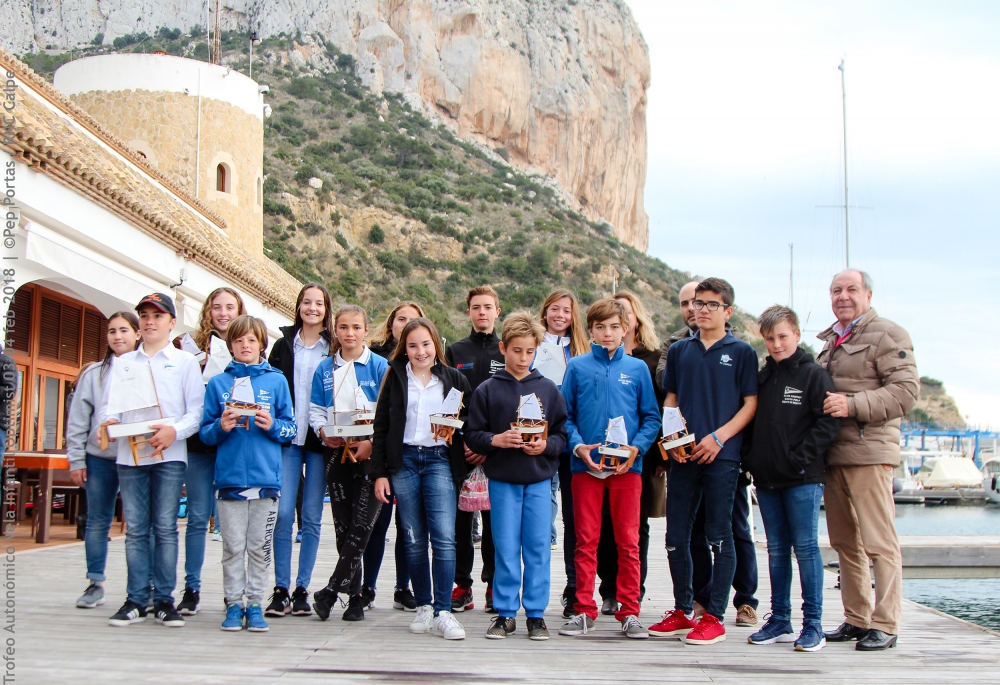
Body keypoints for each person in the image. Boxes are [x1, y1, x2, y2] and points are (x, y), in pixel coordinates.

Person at [651, 277, 758, 645]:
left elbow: (750, 404)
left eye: (711, 304)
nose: (701, 309)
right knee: (675, 534)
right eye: (698, 303)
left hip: (723, 455)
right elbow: (672, 398)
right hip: (683, 454)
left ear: (727, 311)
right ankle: (683, 610)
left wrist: (719, 437)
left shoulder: (742, 352)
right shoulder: (681, 350)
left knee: (719, 535)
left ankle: (714, 616)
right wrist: (671, 437)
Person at [817, 269, 918, 651]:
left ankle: (886, 623)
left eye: (851, 289)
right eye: (836, 290)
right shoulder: (830, 341)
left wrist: (854, 404)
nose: (843, 296)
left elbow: (906, 393)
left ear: (869, 295)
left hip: (870, 453)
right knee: (846, 543)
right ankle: (857, 618)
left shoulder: (889, 335)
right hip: (834, 455)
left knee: (879, 542)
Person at [558, 298, 660, 639]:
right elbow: (565, 417)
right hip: (585, 467)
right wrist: (578, 446)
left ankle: (629, 611)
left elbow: (651, 417)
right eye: (600, 327)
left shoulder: (638, 369)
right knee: (586, 540)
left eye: (614, 326)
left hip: (626, 471)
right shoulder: (577, 367)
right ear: (591, 330)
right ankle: (584, 610)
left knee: (628, 542)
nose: (608, 333)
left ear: (626, 329)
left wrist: (637, 449)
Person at [102, 293, 204, 628]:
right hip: (129, 457)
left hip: (169, 455)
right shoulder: (123, 363)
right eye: (144, 315)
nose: (149, 321)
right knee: (136, 530)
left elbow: (196, 412)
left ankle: (164, 599)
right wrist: (110, 422)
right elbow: (109, 408)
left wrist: (174, 431)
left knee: (165, 528)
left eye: (157, 316)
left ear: (172, 323)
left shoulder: (185, 362)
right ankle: (135, 598)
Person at [465, 312, 568, 641]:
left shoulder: (549, 390)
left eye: (530, 351)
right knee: (506, 547)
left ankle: (536, 616)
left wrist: (546, 445)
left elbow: (563, 436)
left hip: (539, 481)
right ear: (503, 348)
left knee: (537, 547)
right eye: (517, 350)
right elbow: (472, 434)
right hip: (503, 482)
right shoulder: (487, 390)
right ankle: (506, 613)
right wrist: (496, 440)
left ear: (537, 350)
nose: (524, 358)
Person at [744, 306, 840, 652]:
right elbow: (752, 421)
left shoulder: (814, 375)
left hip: (802, 479)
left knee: (806, 548)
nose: (776, 344)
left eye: (782, 336)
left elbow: (828, 423)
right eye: (769, 338)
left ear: (797, 335)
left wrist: (800, 459)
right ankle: (780, 619)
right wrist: (752, 458)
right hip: (767, 479)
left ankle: (813, 625)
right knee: (777, 551)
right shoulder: (763, 377)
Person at [370, 318, 473, 640]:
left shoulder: (453, 378)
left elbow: (468, 419)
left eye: (426, 344)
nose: (420, 351)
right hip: (404, 462)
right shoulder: (396, 376)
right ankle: (424, 605)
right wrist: (380, 473)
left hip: (439, 459)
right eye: (413, 345)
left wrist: (456, 426)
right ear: (405, 348)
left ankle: (444, 610)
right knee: (413, 537)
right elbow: (381, 426)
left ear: (436, 346)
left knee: (444, 536)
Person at [200, 315, 296, 632]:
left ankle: (255, 603)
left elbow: (291, 427)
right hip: (229, 482)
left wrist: (274, 427)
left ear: (261, 345)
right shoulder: (217, 384)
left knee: (259, 547)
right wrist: (221, 427)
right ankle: (232, 604)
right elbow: (205, 434)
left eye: (252, 340)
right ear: (230, 346)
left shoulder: (277, 381)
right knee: (232, 547)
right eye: (239, 340)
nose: (245, 346)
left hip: (267, 482)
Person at [310, 305, 389, 622]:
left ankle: (330, 590)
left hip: (370, 454)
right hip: (336, 452)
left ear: (366, 330)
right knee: (343, 526)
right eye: (343, 327)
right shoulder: (323, 369)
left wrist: (374, 443)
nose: (349, 333)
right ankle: (354, 597)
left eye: (356, 327)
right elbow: (316, 409)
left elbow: (388, 414)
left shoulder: (380, 366)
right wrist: (321, 432)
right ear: (336, 331)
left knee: (363, 524)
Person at [172, 286, 247, 616]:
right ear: (207, 312)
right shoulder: (188, 347)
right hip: (200, 444)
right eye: (217, 307)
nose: (223, 313)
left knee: (234, 522)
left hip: (235, 444)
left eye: (230, 307)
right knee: (199, 517)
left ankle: (236, 593)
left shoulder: (249, 348)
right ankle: (192, 587)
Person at [266, 283, 333, 617]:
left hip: (320, 441)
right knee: (282, 515)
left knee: (311, 516)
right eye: (306, 302)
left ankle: (303, 587)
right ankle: (280, 588)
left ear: (326, 309)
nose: (312, 308)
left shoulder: (332, 346)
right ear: (298, 307)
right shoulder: (282, 345)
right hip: (287, 439)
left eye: (318, 303)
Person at [67, 313, 140, 609]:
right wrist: (75, 459)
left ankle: (138, 586)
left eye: (124, 330)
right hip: (99, 457)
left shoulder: (148, 370)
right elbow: (78, 419)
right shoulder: (94, 373)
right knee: (97, 521)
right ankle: (94, 582)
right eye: (112, 331)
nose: (117, 336)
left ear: (137, 334)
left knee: (137, 523)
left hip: (136, 457)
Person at [446, 286, 505, 613]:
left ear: (497, 311)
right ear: (468, 311)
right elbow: (449, 402)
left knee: (495, 524)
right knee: (460, 523)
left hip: (496, 449)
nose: (482, 312)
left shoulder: (505, 351)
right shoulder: (455, 351)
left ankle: (493, 585)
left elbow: (509, 403)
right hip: (461, 448)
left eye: (488, 307)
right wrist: (469, 440)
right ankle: (462, 585)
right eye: (476, 307)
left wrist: (488, 443)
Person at [608, 290, 666, 607]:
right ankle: (608, 589)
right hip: (603, 456)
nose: (622, 318)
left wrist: (656, 456)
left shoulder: (653, 360)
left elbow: (655, 411)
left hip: (643, 457)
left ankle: (633, 590)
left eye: (626, 312)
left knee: (636, 528)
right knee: (605, 524)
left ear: (636, 317)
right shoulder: (598, 358)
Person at [367, 301, 425, 612]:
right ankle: (368, 586)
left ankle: (404, 586)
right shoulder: (377, 358)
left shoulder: (424, 361)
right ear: (391, 324)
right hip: (380, 452)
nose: (406, 324)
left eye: (414, 320)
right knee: (377, 523)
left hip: (412, 458)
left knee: (408, 526)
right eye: (401, 319)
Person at [537, 289, 590, 619]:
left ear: (574, 316)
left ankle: (574, 590)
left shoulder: (582, 350)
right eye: (554, 309)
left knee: (574, 521)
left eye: (566, 311)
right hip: (538, 441)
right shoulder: (533, 344)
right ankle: (531, 592)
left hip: (571, 442)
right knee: (539, 520)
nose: (559, 315)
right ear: (544, 312)